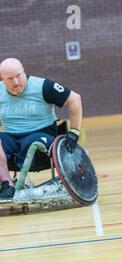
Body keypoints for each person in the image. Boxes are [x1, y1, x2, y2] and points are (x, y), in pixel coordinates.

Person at [0, 58, 83, 200]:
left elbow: (74, 99)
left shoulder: (43, 86)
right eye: (10, 79)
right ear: (2, 79)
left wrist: (74, 131)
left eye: (19, 76)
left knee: (32, 143)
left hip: (41, 133)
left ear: (24, 72)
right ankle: (8, 185)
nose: (16, 82)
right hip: (11, 137)